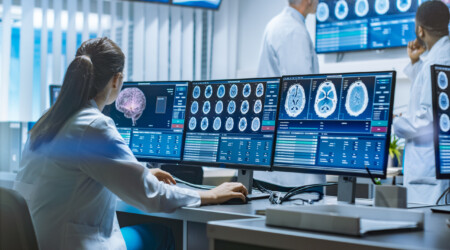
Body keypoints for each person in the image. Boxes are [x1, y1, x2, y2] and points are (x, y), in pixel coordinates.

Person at [13, 37, 248, 249]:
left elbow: (78, 176)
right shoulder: (94, 125)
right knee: (162, 235)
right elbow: (151, 196)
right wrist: (210, 195)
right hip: (72, 244)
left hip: (42, 241)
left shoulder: (48, 120)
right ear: (117, 80)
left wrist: (140, 173)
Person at [254, 0, 324, 187]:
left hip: (277, 156)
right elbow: (301, 91)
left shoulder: (277, 24)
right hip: (291, 166)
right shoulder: (293, 31)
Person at [393, 1, 450, 205]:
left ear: (420, 30)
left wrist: (396, 123)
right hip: (435, 169)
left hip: (429, 173)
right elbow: (433, 96)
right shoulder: (440, 56)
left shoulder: (436, 62)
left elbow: (427, 119)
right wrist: (417, 63)